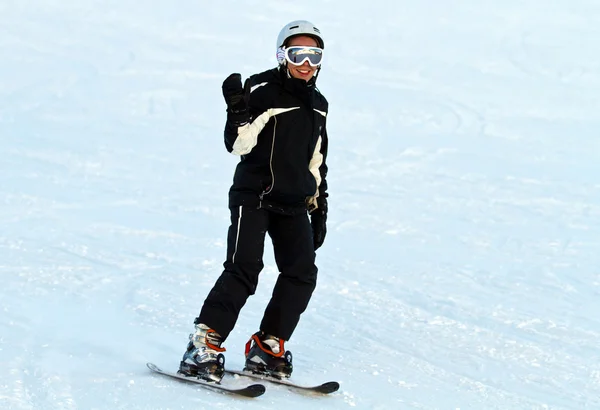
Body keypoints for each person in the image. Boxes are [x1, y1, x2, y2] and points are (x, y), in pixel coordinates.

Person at [178, 20, 329, 383]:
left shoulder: (319, 104)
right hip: (255, 196)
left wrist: (319, 205)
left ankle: (268, 345)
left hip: (293, 202)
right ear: (282, 56)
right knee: (244, 267)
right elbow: (238, 146)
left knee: (301, 273)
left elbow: (317, 158)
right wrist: (237, 113)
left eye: (314, 55)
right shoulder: (263, 89)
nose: (305, 63)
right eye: (298, 54)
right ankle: (204, 343)